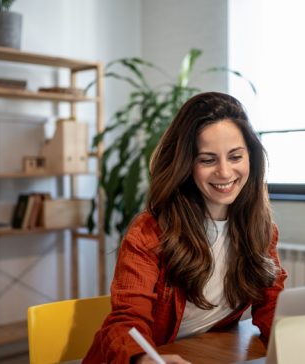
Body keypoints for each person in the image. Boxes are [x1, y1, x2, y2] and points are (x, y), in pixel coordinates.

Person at [83, 92, 288, 363]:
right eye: (207, 159)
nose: (225, 172)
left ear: (251, 158)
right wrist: (143, 359)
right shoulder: (149, 231)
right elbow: (126, 322)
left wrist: (297, 346)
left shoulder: (261, 229)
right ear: (186, 164)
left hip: (203, 355)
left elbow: (272, 306)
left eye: (236, 156)